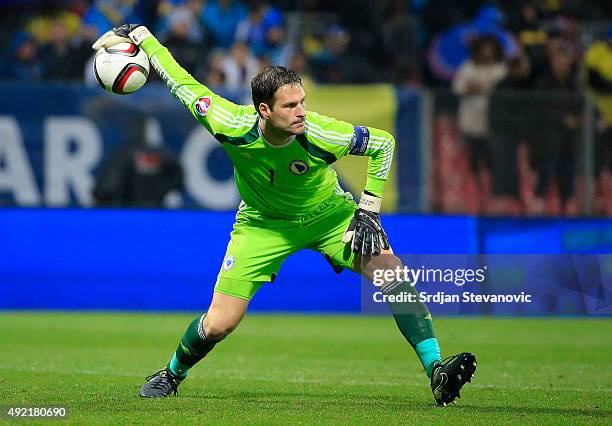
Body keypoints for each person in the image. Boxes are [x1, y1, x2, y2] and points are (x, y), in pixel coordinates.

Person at [92, 24, 477, 406]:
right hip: (262, 225)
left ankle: (436, 370)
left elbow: (383, 144)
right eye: (290, 106)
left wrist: (369, 210)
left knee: (393, 274)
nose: (301, 113)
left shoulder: (321, 133)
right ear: (264, 109)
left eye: (302, 102)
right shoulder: (230, 123)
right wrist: (142, 36)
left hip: (329, 217)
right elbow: (181, 82)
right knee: (220, 324)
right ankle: (171, 373)